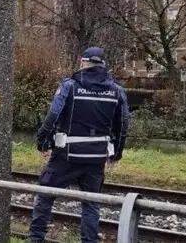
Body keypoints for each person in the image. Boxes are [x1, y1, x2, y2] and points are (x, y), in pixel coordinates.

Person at [29, 47, 130, 243]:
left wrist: (43, 142)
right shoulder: (117, 90)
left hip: (66, 155)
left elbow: (53, 116)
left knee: (45, 193)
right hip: (96, 158)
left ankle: (35, 239)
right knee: (91, 202)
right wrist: (116, 152)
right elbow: (123, 123)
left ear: (83, 63)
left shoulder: (70, 86)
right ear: (103, 65)